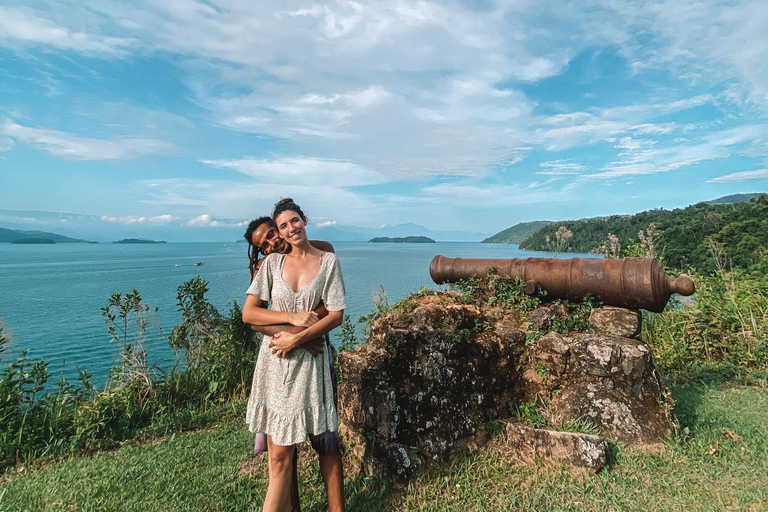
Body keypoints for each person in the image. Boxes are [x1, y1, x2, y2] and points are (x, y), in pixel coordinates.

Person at [243, 199, 346, 512]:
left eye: (281, 228)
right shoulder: (269, 266)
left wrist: (302, 335)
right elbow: (252, 316)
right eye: (268, 241)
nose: (278, 238)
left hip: (313, 357)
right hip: (278, 359)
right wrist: (294, 325)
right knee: (281, 454)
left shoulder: (325, 254)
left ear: (303, 219)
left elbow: (334, 310)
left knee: (325, 440)